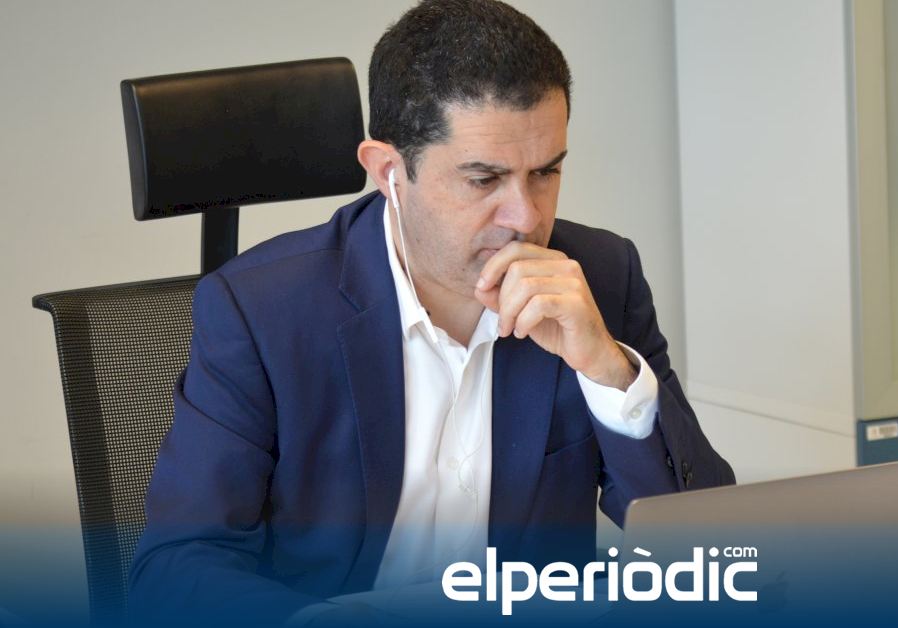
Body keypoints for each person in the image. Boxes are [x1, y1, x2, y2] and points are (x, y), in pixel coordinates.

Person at [127, 0, 734, 624]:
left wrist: (609, 372)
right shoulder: (261, 312)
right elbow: (175, 568)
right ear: (388, 170)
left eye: (546, 172)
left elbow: (715, 556)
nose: (526, 217)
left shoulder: (599, 278)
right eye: (483, 180)